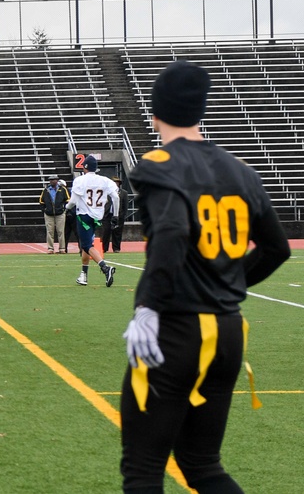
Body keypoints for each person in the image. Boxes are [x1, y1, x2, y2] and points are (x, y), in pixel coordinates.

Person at [120, 60, 290, 493]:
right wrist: (224, 286)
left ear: (155, 112)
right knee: (203, 465)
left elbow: (173, 231)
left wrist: (148, 307)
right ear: (201, 111)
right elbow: (278, 248)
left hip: (178, 330)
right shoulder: (239, 169)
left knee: (143, 470)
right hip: (228, 331)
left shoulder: (158, 164)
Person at [66, 155, 119, 287]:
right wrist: (115, 215)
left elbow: (73, 201)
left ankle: (105, 268)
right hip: (97, 217)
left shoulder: (80, 180)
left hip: (84, 216)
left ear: (85, 167)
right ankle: (84, 275)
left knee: (86, 245)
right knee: (86, 243)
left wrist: (66, 208)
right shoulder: (105, 180)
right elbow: (116, 197)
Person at [39, 174, 70, 254]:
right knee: (50, 231)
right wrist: (45, 210)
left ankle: (62, 248)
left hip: (60, 213)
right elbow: (41, 201)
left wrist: (64, 209)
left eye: (54, 179)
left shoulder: (62, 189)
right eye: (51, 180)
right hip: (49, 214)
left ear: (57, 180)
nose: (52, 181)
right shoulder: (46, 190)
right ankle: (50, 248)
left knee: (61, 231)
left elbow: (68, 199)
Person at [101, 176, 128, 253]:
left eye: (116, 182)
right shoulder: (106, 192)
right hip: (107, 215)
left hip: (118, 216)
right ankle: (104, 248)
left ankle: (116, 248)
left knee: (117, 232)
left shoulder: (123, 193)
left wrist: (122, 216)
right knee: (106, 232)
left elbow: (125, 205)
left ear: (119, 184)